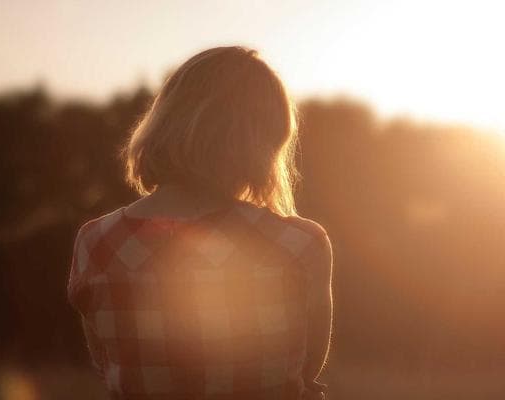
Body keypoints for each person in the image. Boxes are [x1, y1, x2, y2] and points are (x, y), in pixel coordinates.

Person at [67, 46, 333, 400]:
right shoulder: (299, 243)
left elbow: (109, 365)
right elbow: (305, 368)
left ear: (164, 121)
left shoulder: (96, 242)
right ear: (263, 141)